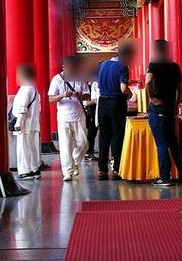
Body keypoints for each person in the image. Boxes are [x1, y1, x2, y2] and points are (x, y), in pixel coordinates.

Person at [145, 39, 182, 186]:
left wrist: (152, 98)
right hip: (170, 109)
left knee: (162, 145)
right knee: (173, 143)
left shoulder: (154, 65)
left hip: (157, 109)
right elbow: (179, 88)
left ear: (156, 50)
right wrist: (175, 105)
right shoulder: (175, 67)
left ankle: (165, 178)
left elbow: (147, 81)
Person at [96, 41, 135, 180]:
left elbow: (97, 83)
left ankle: (102, 169)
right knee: (117, 136)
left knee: (104, 136)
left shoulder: (103, 65)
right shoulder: (122, 67)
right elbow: (123, 88)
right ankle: (117, 168)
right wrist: (131, 95)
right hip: (116, 102)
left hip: (102, 102)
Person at [48, 56, 88, 182]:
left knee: (83, 143)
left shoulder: (80, 77)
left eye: (74, 67)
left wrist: (80, 95)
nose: (72, 70)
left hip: (78, 116)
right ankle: (68, 172)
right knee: (65, 146)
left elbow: (87, 96)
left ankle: (75, 162)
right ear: (64, 67)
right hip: (64, 117)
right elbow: (50, 100)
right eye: (69, 68)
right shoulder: (57, 79)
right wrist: (63, 95)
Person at [11, 63, 42, 180]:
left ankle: (25, 171)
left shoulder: (25, 89)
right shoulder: (33, 88)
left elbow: (23, 108)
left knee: (23, 148)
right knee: (32, 147)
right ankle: (35, 169)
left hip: (25, 124)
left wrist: (18, 123)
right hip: (33, 123)